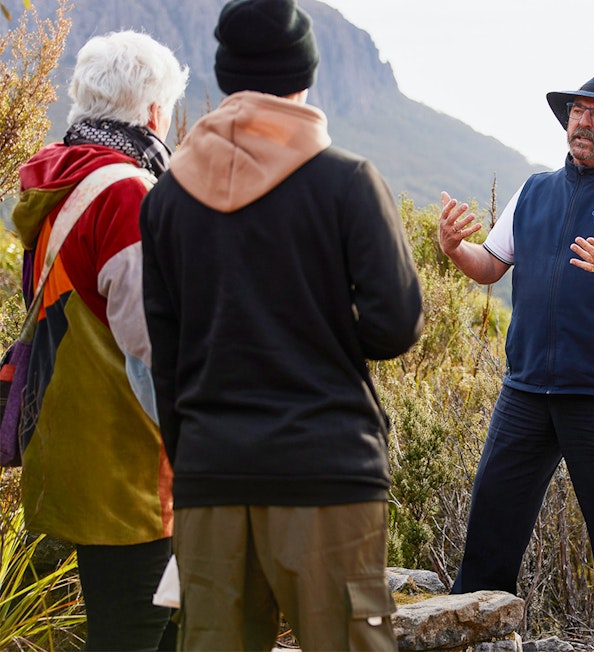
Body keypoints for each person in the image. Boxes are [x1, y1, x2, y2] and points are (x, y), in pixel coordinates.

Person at [139, 0, 424, 649]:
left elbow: (167, 359)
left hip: (212, 478)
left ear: (227, 77)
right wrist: (320, 330)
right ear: (305, 77)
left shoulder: (167, 200)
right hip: (326, 474)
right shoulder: (347, 182)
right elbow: (395, 324)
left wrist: (196, 465)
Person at [439, 67, 594, 652]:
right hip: (525, 389)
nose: (583, 120)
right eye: (578, 110)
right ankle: (468, 635)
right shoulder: (535, 191)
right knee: (492, 526)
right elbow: (489, 265)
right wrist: (454, 247)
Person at [9, 30, 187, 651]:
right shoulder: (126, 193)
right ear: (155, 112)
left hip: (74, 449)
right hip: (134, 475)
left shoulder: (57, 185)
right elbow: (154, 349)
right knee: (135, 634)